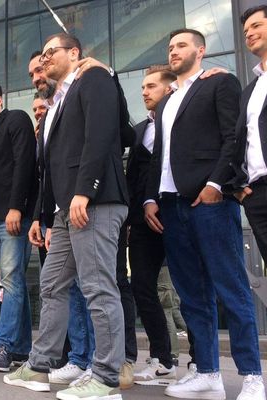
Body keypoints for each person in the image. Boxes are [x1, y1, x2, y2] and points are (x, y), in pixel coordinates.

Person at [4, 33, 128, 400]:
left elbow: (107, 134)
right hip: (64, 210)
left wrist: (86, 190)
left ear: (74, 53)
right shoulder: (57, 98)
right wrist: (43, 215)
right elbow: (51, 166)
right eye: (40, 55)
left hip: (94, 202)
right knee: (52, 285)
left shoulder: (94, 78)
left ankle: (106, 377)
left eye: (50, 53)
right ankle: (40, 364)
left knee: (98, 286)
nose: (43, 61)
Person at [144, 28, 264, 400]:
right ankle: (208, 373)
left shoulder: (219, 83)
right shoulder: (166, 101)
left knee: (231, 288)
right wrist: (150, 198)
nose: (174, 51)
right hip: (170, 205)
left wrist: (216, 184)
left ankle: (252, 376)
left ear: (201, 50)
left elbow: (233, 137)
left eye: (181, 45)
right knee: (191, 295)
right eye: (170, 47)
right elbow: (158, 156)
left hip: (209, 201)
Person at [0, 80, 36, 372]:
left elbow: (24, 163)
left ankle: (3, 345)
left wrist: (17, 206)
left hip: (11, 214)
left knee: (10, 281)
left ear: (0, 99)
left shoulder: (16, 118)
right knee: (14, 283)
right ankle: (22, 348)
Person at [126, 65, 177, 385]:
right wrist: (132, 216)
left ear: (169, 89)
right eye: (143, 87)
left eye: (152, 86)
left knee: (188, 287)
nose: (144, 91)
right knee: (141, 286)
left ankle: (202, 363)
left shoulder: (178, 121)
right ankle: (162, 358)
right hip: (142, 222)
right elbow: (133, 175)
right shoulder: (141, 128)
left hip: (173, 211)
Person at [232, 5, 267, 275]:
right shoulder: (249, 91)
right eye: (245, 31)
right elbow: (238, 140)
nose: (249, 34)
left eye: (256, 26)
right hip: (256, 194)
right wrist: (239, 187)